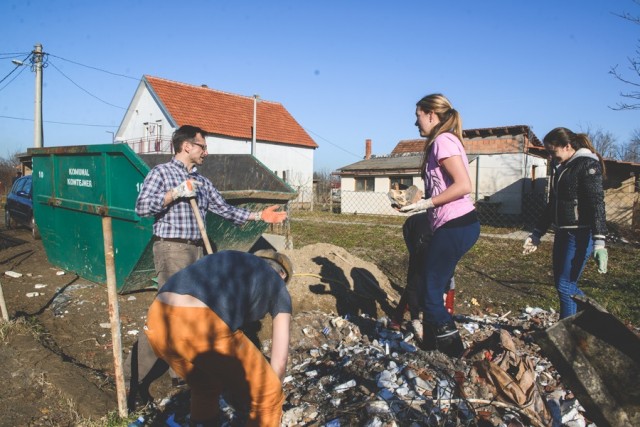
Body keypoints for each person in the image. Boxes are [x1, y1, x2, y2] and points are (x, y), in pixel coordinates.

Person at [125, 124, 287, 408]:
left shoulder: (202, 181)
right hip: (172, 247)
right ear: (186, 146)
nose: (206, 152)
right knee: (170, 316)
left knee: (197, 314)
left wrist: (260, 215)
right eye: (202, 146)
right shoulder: (161, 173)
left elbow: (225, 209)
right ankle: (129, 380)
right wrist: (175, 193)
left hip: (197, 251)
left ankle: (186, 371)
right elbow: (142, 207)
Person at [144, 249, 293, 426]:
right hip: (202, 324)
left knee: (205, 386)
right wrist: (272, 385)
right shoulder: (277, 284)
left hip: (158, 319)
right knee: (269, 398)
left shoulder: (230, 258)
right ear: (282, 274)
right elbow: (280, 359)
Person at [399, 93, 480, 357]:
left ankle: (456, 354)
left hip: (456, 225)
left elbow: (463, 185)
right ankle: (433, 346)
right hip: (455, 225)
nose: (416, 122)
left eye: (418, 116)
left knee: (432, 293)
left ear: (431, 115)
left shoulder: (442, 141)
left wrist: (427, 204)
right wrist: (415, 200)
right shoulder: (443, 141)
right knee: (430, 288)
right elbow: (444, 186)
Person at [522, 127, 607, 319]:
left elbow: (596, 203)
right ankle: (584, 323)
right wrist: (537, 233)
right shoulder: (562, 168)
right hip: (562, 233)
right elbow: (553, 203)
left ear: (567, 146)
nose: (551, 157)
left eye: (553, 152)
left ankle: (584, 324)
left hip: (580, 233)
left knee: (565, 284)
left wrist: (600, 241)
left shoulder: (586, 164)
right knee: (564, 285)